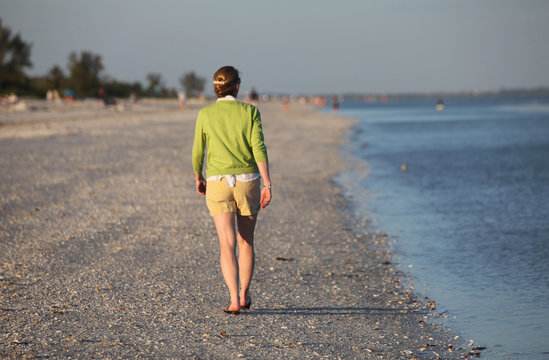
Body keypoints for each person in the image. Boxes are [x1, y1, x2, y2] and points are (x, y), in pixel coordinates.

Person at [192, 66, 272, 314]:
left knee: (226, 243)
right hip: (248, 181)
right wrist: (267, 183)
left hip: (217, 181)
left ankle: (233, 301)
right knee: (246, 242)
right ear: (237, 86)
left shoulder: (205, 114)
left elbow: (198, 151)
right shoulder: (250, 111)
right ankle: (244, 293)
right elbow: (258, 148)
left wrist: (198, 176)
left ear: (216, 87)